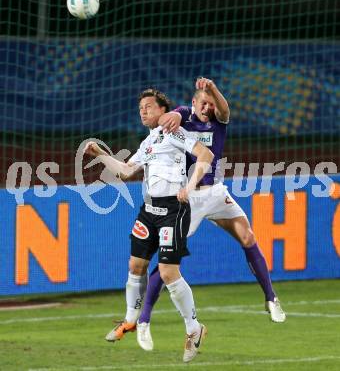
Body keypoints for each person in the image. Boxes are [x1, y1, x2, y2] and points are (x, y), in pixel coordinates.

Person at [136, 78, 286, 352]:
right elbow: (173, 114)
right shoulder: (182, 117)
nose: (207, 106)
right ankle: (143, 319)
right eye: (202, 102)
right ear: (193, 103)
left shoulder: (219, 121)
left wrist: (213, 89)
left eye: (210, 103)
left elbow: (225, 109)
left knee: (247, 235)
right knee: (169, 260)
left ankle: (271, 298)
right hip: (188, 197)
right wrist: (170, 114)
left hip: (215, 192)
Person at [84, 88, 214, 363]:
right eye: (140, 108)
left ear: (162, 110)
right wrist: (98, 153)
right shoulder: (149, 142)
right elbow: (125, 170)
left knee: (168, 273)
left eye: (148, 107)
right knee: (135, 265)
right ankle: (130, 320)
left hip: (173, 210)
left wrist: (190, 186)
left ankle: (194, 328)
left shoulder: (177, 132)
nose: (143, 111)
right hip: (149, 211)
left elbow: (206, 156)